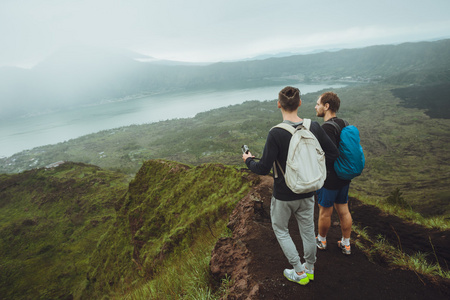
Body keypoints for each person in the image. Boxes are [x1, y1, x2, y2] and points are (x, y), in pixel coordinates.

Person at [242, 86, 339, 285]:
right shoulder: (313, 127)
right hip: (308, 190)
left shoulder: (276, 133)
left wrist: (248, 160)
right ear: (300, 103)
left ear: (279, 104)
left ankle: (298, 271)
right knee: (307, 231)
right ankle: (310, 268)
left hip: (284, 194)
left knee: (280, 229)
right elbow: (333, 154)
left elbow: (262, 168)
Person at [314, 91, 353, 255]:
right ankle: (346, 243)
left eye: (318, 104)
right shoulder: (344, 123)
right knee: (343, 209)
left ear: (327, 106)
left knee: (325, 212)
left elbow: (331, 154)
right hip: (344, 176)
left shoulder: (326, 128)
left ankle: (321, 241)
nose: (316, 107)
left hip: (330, 178)